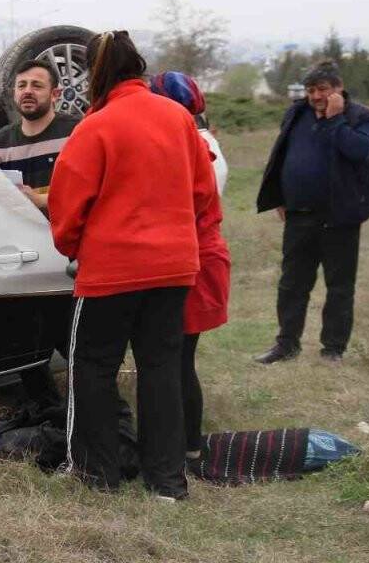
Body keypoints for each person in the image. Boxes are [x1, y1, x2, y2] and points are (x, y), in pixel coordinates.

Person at [49, 31, 217, 500]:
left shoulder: (96, 125)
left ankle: (96, 473)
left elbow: (68, 203)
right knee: (161, 370)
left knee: (92, 367)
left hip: (110, 272)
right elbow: (204, 193)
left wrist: (73, 246)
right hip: (174, 267)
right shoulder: (179, 119)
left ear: (96, 73)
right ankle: (167, 482)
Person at [254, 61, 369, 363]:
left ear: (338, 88)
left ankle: (333, 349)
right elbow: (281, 155)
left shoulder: (362, 117)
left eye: (322, 89)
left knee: (338, 286)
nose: (315, 96)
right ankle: (286, 345)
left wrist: (335, 120)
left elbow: (358, 151)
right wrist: (280, 196)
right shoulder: (297, 113)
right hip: (299, 214)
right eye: (311, 90)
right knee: (292, 283)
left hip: (341, 216)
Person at [149, 71, 231, 468]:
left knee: (179, 357)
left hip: (194, 260)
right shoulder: (200, 141)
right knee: (177, 357)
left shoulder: (198, 148)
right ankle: (184, 443)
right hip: (194, 256)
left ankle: (188, 446)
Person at [0, 58, 79, 412]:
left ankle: (86, 406)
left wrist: (37, 199)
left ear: (55, 93)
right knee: (20, 333)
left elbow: (85, 190)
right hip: (21, 256)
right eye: (22, 85)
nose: (28, 92)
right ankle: (43, 408)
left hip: (67, 253)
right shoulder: (2, 142)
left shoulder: (76, 132)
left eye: (37, 85)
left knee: (72, 336)